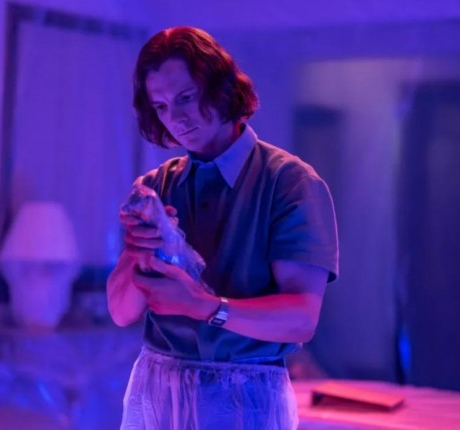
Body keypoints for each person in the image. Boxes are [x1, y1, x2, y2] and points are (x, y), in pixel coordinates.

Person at [107, 26, 339, 430]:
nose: (176, 118)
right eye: (161, 106)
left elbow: (301, 318)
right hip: (156, 391)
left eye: (186, 97)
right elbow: (122, 312)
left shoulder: (288, 182)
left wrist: (205, 306)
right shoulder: (157, 186)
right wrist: (135, 252)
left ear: (220, 87)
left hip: (244, 398)